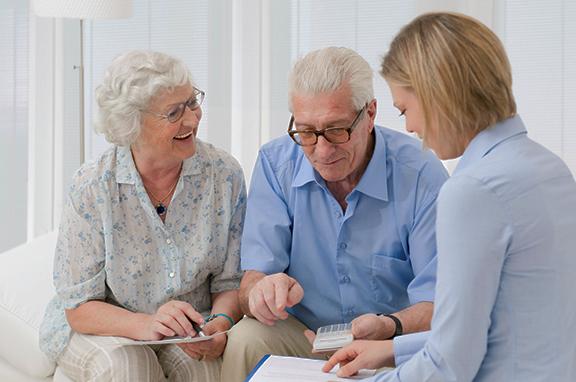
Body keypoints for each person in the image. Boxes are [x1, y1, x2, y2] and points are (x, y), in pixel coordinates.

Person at [323, 12, 576, 381]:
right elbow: (491, 327)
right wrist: (392, 349)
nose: (410, 127)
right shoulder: (548, 167)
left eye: (406, 109)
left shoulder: (473, 190)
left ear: (437, 94)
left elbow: (450, 364)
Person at [221, 46, 449, 382]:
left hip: (390, 342)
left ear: (370, 115)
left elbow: (439, 304)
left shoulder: (420, 174)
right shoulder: (275, 163)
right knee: (245, 339)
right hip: (304, 337)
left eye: (337, 130)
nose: (322, 150)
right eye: (307, 132)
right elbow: (252, 281)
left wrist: (389, 325)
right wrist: (263, 293)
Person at [39, 50, 246, 381]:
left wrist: (219, 324)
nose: (192, 120)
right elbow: (79, 307)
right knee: (131, 370)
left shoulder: (223, 175)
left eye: (192, 102)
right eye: (174, 112)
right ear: (130, 124)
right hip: (106, 324)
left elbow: (229, 281)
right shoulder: (93, 186)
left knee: (204, 372)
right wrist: (146, 325)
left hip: (189, 327)